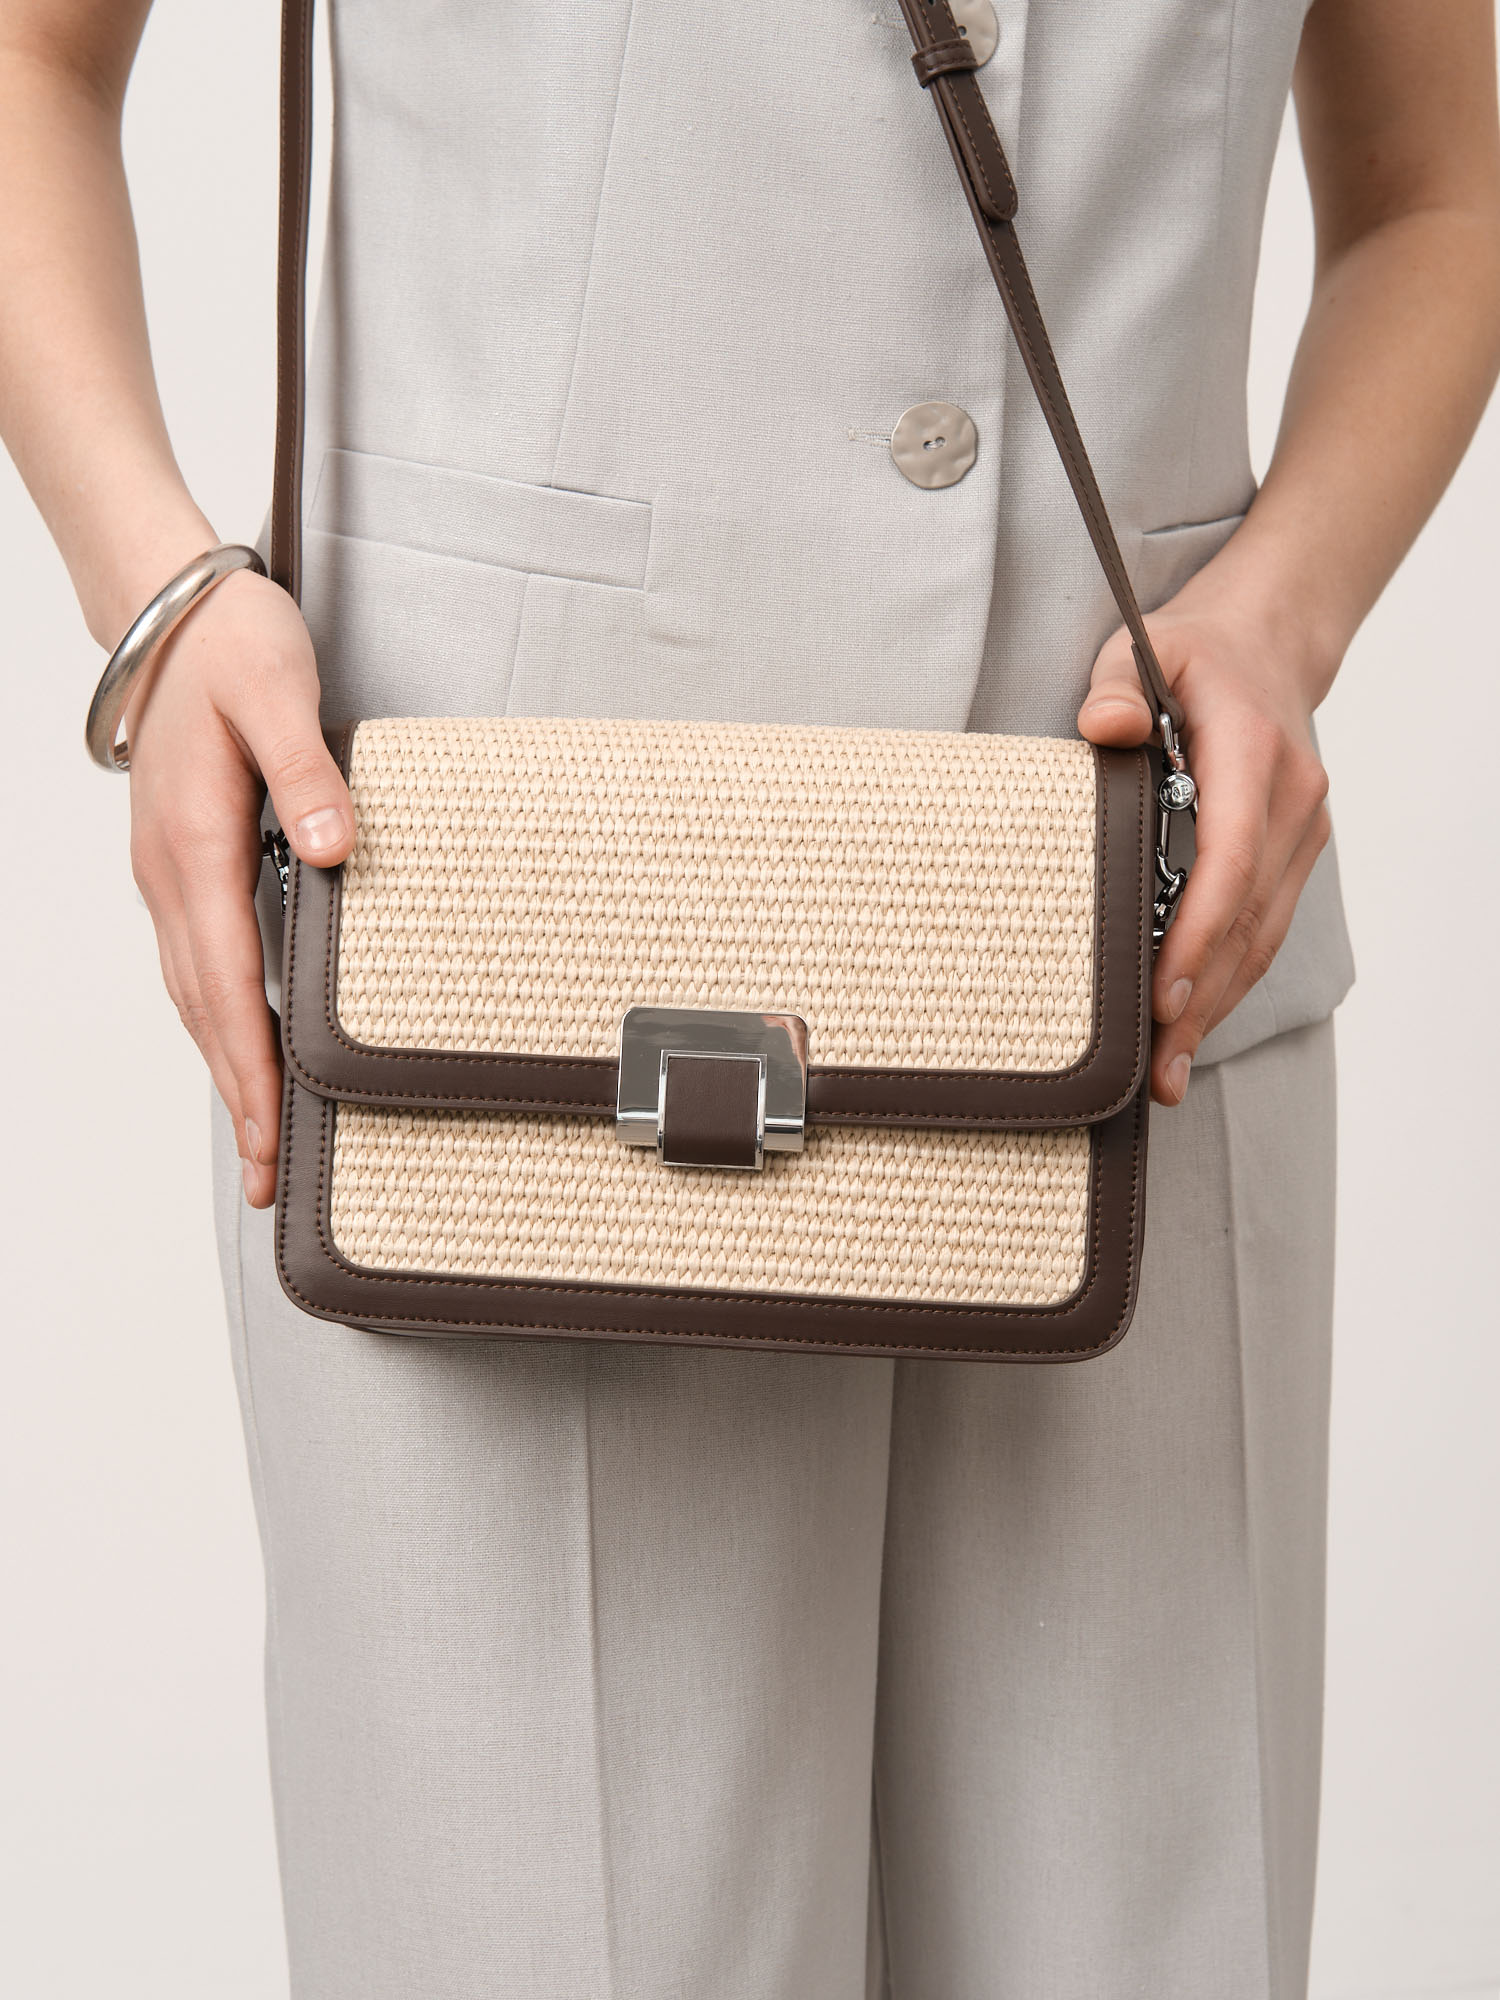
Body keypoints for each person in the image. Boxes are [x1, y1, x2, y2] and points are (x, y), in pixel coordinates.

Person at [4, 1, 1498, 1994]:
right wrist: (160, 596)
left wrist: (1288, 605)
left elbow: (1437, 190)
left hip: (1144, 969)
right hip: (497, 1005)